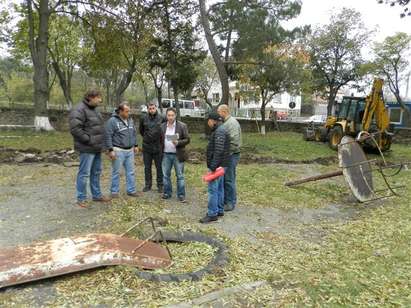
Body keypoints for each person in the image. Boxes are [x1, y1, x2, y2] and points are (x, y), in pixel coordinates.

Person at [69, 89, 110, 208]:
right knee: (84, 173)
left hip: (97, 148)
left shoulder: (95, 110)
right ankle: (81, 198)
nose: (100, 100)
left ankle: (96, 195)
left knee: (96, 172)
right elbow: (75, 129)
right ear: (91, 97)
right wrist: (89, 140)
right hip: (87, 148)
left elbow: (99, 128)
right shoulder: (79, 109)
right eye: (98, 98)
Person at [104, 102, 140, 198]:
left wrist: (136, 145)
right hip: (118, 150)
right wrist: (110, 150)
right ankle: (114, 192)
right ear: (120, 111)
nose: (129, 113)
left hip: (130, 150)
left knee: (131, 171)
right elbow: (108, 135)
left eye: (129, 111)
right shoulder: (112, 121)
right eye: (127, 111)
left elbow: (133, 133)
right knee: (116, 171)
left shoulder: (130, 120)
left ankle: (131, 190)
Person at [200, 112, 230, 223]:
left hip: (218, 165)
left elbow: (219, 151)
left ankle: (212, 213)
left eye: (208, 121)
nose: (207, 123)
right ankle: (220, 209)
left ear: (213, 120)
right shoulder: (221, 130)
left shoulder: (219, 131)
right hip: (222, 165)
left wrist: (212, 167)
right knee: (220, 188)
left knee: (213, 190)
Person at [160, 107, 190, 202]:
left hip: (178, 154)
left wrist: (178, 142)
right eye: (169, 115)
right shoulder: (162, 126)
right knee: (165, 175)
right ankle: (167, 193)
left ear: (175, 115)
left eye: (172, 115)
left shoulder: (182, 126)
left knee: (180, 176)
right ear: (166, 116)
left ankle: (181, 195)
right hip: (166, 154)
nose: (170, 117)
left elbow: (187, 139)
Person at [217, 104, 242, 211]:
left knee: (229, 179)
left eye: (219, 112)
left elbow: (234, 142)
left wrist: (225, 154)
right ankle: (226, 200)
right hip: (227, 155)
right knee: (225, 179)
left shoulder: (232, 123)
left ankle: (230, 202)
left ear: (224, 112)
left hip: (231, 155)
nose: (218, 114)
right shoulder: (226, 122)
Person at [139, 102, 165, 193]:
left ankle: (160, 185)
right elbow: (141, 131)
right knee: (147, 167)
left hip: (158, 146)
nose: (151, 110)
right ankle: (148, 185)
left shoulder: (162, 117)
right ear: (147, 109)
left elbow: (164, 130)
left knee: (159, 167)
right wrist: (147, 138)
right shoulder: (143, 118)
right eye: (150, 108)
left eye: (153, 108)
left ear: (156, 108)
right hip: (147, 147)